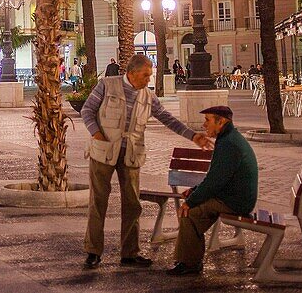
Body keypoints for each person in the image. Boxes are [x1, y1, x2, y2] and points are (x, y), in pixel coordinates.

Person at [80, 56, 212, 270]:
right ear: (131, 73)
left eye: (150, 75)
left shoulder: (148, 96)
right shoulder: (106, 85)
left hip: (131, 153)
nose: (148, 79)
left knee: (132, 203)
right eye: (145, 75)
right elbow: (87, 111)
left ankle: (130, 253)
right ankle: (93, 251)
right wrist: (96, 134)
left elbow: (167, 119)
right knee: (98, 201)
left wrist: (193, 136)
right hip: (103, 150)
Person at [169, 105, 258, 276]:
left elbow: (215, 181)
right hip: (233, 197)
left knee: (190, 212)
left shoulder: (228, 144)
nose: (204, 125)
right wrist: (194, 191)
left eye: (207, 120)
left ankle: (190, 262)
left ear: (221, 121)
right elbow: (216, 178)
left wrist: (191, 201)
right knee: (192, 210)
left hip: (234, 201)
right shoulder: (229, 139)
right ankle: (189, 259)